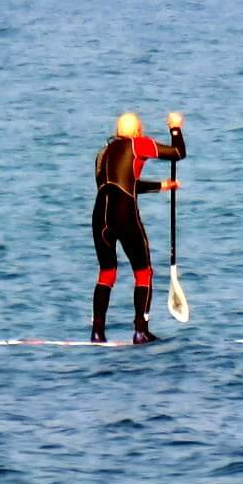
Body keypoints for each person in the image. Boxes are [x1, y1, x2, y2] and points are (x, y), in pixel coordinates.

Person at [92, 110, 184, 343]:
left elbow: (123, 184)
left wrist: (162, 186)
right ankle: (140, 330)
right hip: (124, 214)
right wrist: (175, 128)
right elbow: (177, 153)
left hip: (99, 216)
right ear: (137, 132)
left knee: (107, 272)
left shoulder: (101, 155)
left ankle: (97, 332)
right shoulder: (138, 145)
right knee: (143, 272)